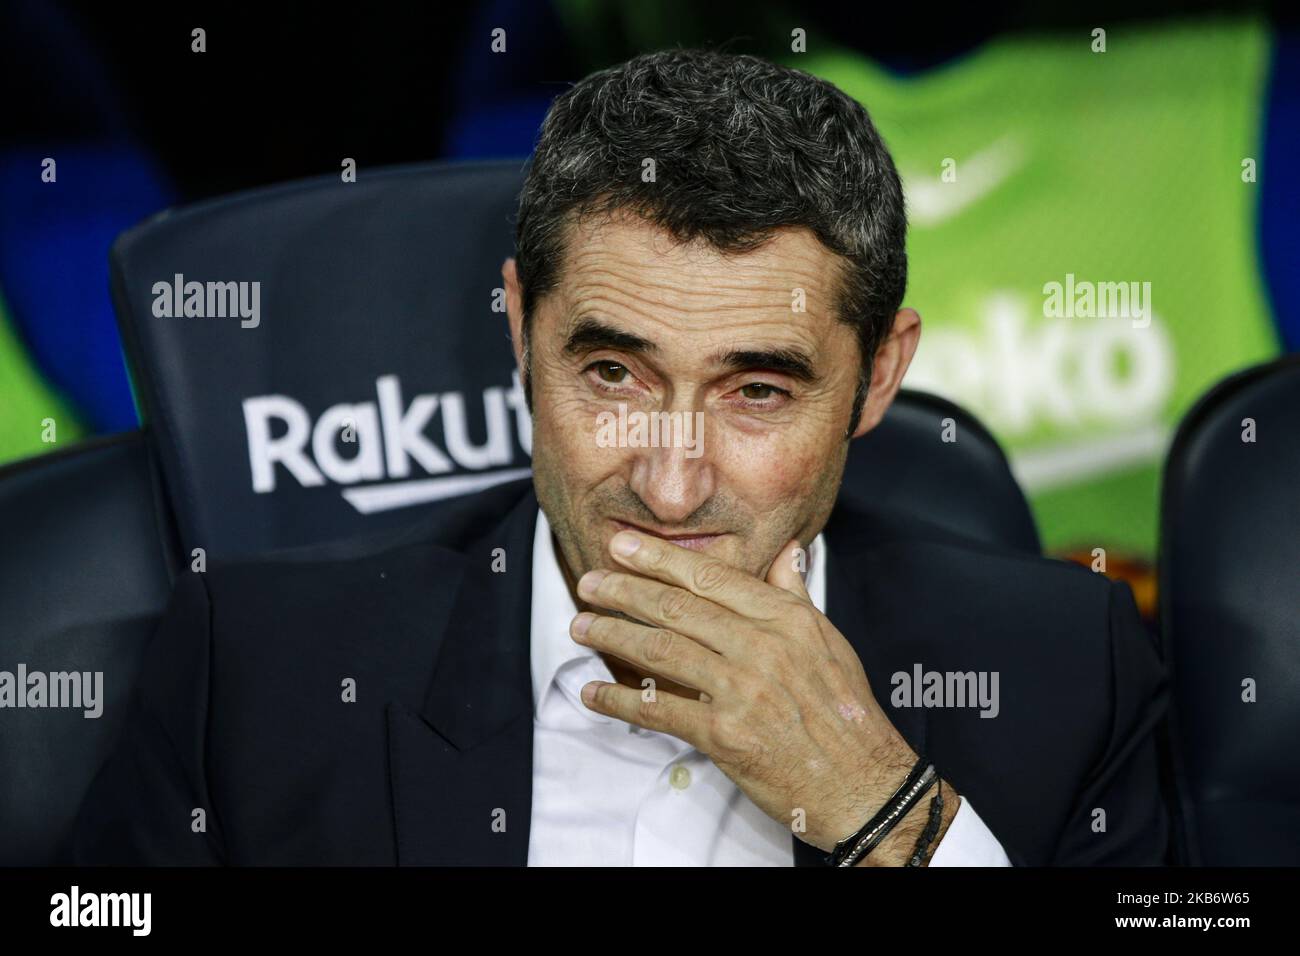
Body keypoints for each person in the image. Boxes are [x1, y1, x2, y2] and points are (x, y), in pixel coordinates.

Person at [73, 48, 1167, 867]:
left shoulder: (1070, 670)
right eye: (613, 376)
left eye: (757, 391)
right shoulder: (258, 669)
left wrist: (883, 806)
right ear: (517, 329)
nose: (670, 483)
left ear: (880, 374)